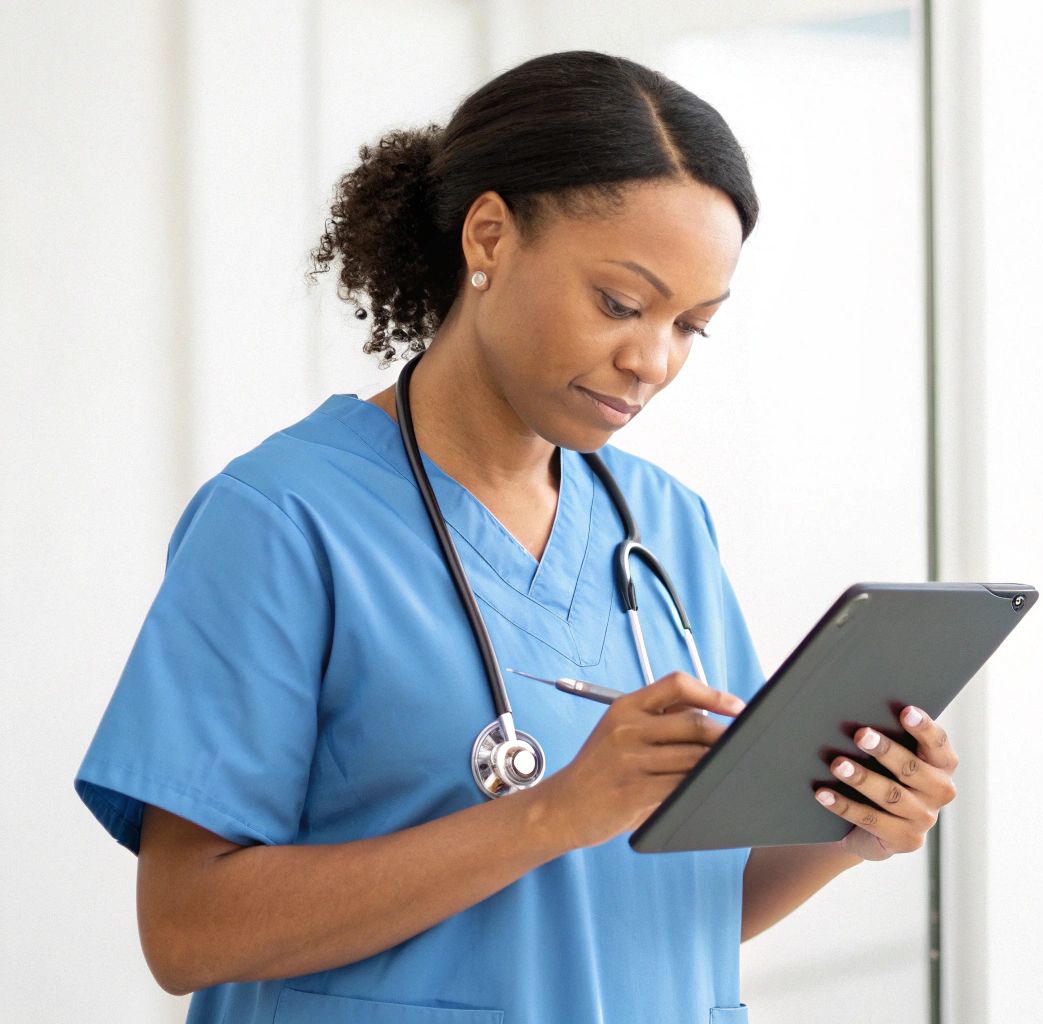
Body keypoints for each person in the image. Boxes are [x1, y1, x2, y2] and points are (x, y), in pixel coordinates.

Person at [71, 49, 959, 1023]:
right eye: (620, 303)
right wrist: (550, 814)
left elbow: (669, 906)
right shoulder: (283, 519)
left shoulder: (664, 525)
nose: (652, 360)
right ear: (489, 235)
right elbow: (189, 932)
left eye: (690, 326)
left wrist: (849, 833)